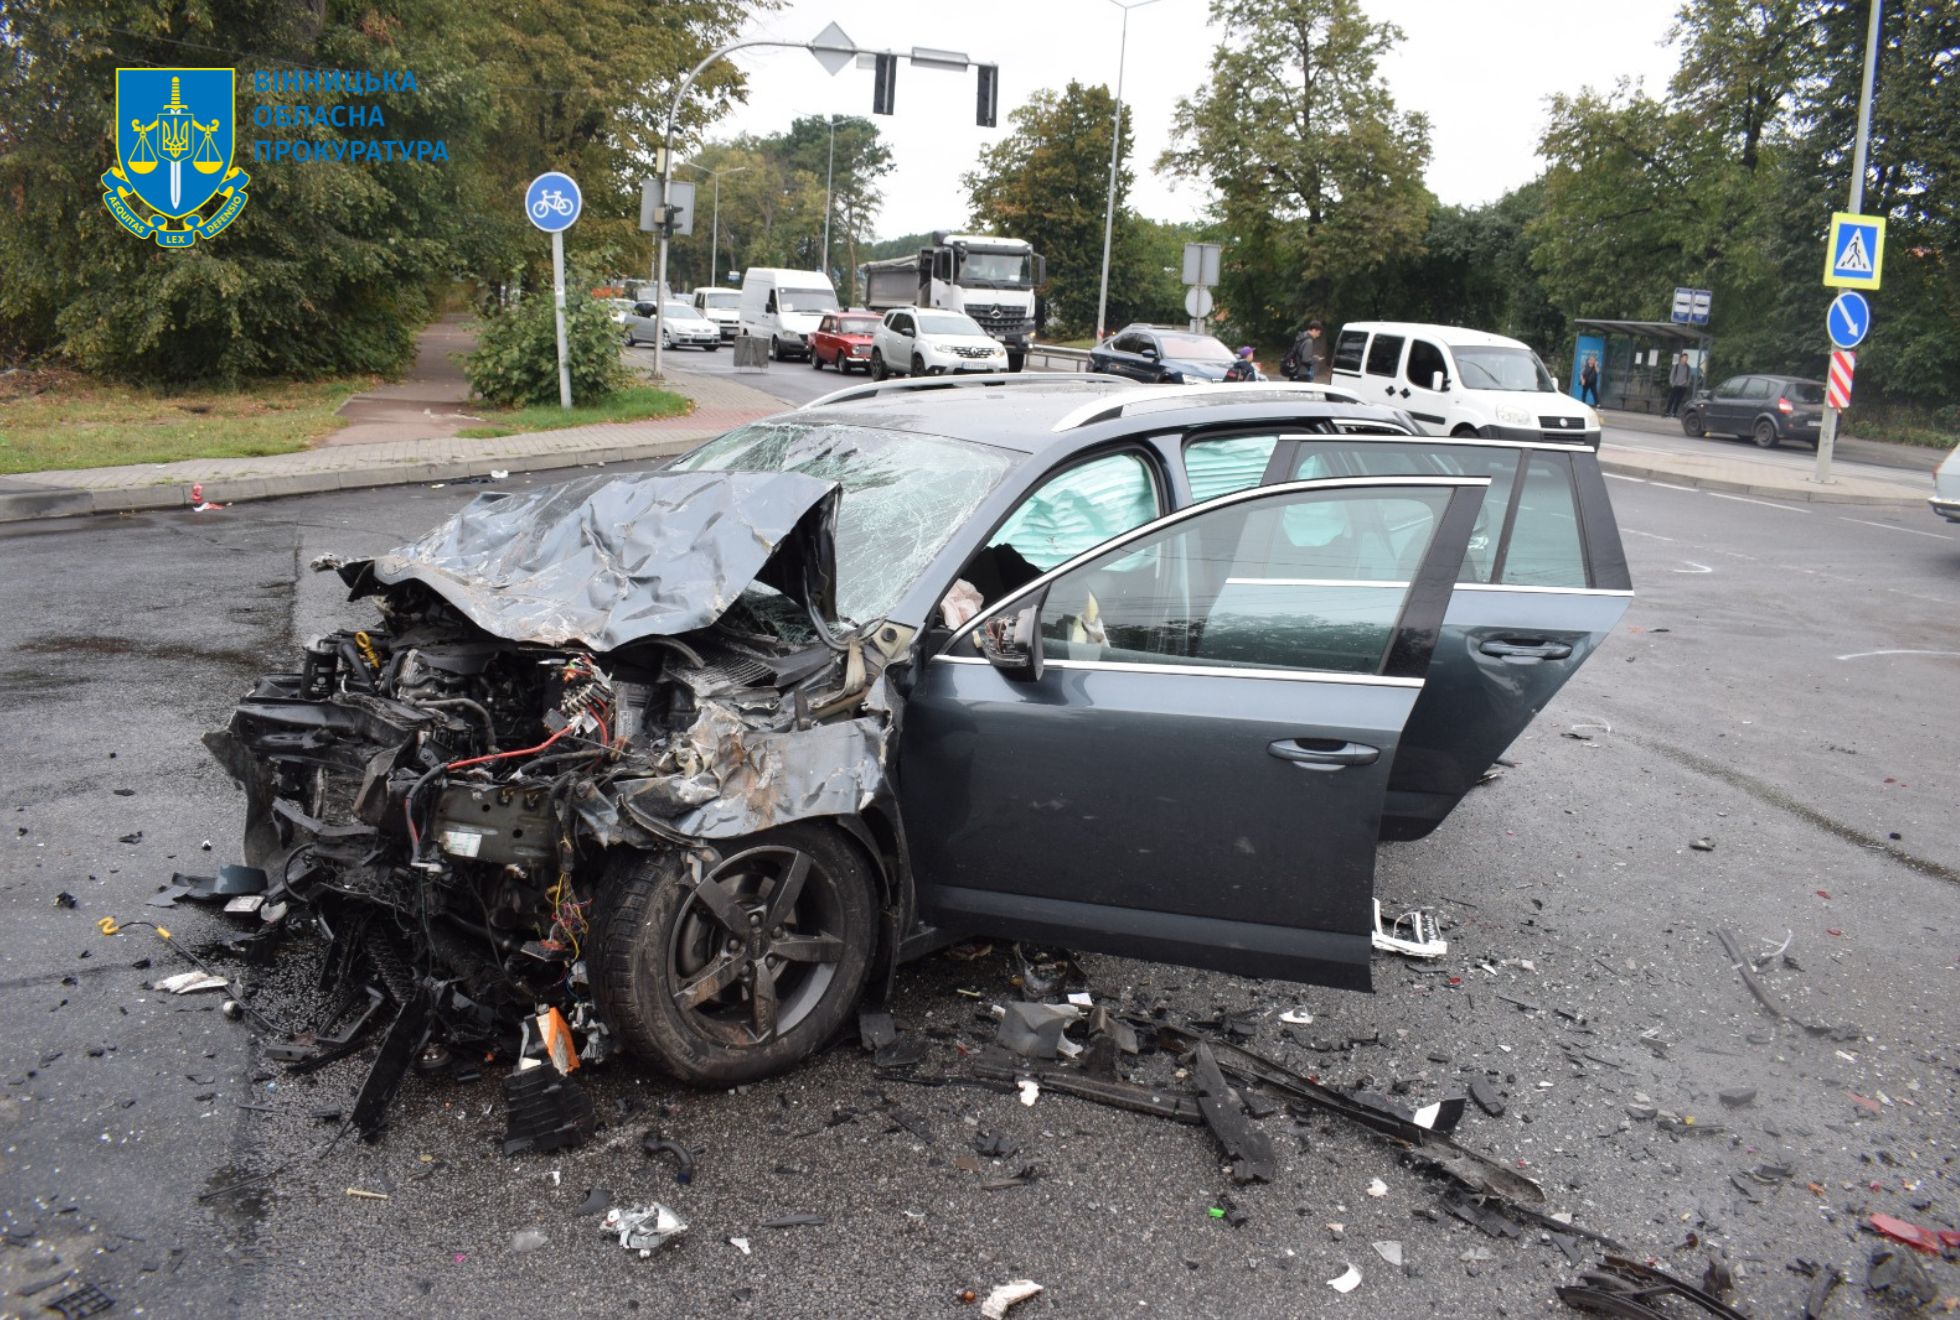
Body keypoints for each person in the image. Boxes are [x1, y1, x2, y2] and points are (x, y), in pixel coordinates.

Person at [1664, 351, 1692, 417]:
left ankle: (1674, 413)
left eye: (1687, 358)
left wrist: (1686, 384)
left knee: (1678, 401)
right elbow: (1671, 375)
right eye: (1684, 358)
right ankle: (1667, 412)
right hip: (1675, 385)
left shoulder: (1688, 368)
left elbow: (1689, 377)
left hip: (1683, 386)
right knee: (1671, 399)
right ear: (1681, 358)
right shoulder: (1676, 366)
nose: (1685, 359)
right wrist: (1672, 384)